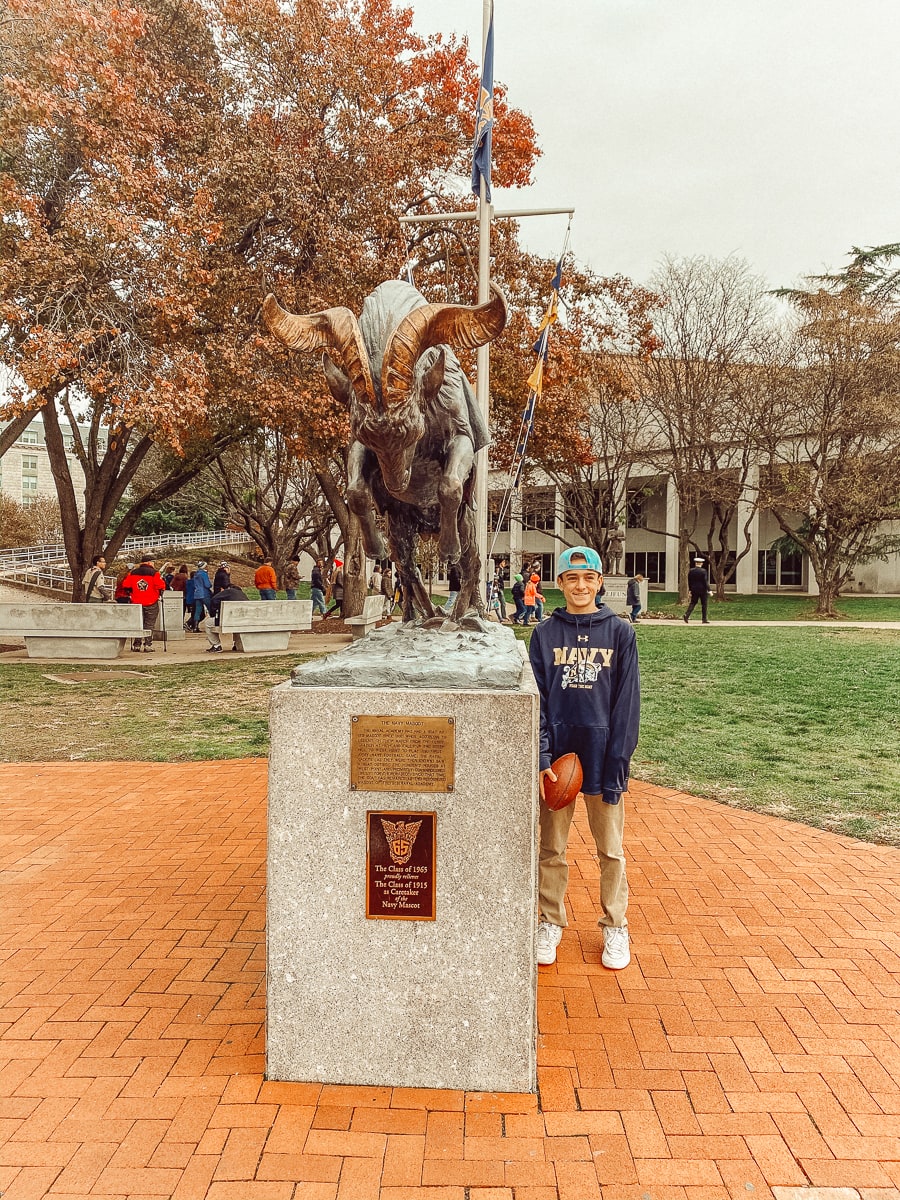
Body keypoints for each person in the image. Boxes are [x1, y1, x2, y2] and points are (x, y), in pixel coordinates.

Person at [528, 545, 640, 971]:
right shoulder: (544, 633)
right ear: (561, 583)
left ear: (599, 582)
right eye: (572, 579)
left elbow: (627, 702)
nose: (580, 585)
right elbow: (536, 699)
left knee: (610, 850)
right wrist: (541, 755)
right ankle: (550, 920)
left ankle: (615, 926)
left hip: (601, 756)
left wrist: (619, 759)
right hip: (558, 758)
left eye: (588, 578)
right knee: (552, 847)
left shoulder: (620, 632)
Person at [121, 554, 168, 652]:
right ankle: (147, 644)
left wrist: (131, 593)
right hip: (151, 601)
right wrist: (160, 594)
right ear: (150, 562)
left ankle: (136, 645)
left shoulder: (133, 573)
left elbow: (126, 585)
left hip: (136, 602)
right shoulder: (154, 573)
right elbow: (160, 585)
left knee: (139, 623)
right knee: (149, 624)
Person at [204, 581, 249, 652]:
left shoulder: (229, 591)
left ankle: (216, 645)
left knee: (208, 623)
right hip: (244, 621)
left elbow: (214, 599)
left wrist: (213, 613)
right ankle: (237, 644)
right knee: (237, 623)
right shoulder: (243, 595)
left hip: (227, 621)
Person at [684, 556, 711, 624]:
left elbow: (689, 581)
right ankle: (704, 619)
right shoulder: (703, 571)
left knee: (693, 603)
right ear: (701, 564)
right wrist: (709, 590)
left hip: (694, 589)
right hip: (702, 590)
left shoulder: (691, 571)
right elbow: (705, 581)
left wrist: (690, 590)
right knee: (704, 604)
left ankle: (686, 615)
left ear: (696, 563)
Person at [192, 560, 213, 629]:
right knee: (210, 608)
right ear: (204, 567)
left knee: (198, 610)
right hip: (204, 593)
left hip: (197, 594)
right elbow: (207, 584)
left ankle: (195, 627)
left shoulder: (196, 574)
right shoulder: (204, 574)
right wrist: (210, 585)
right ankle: (213, 623)